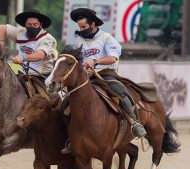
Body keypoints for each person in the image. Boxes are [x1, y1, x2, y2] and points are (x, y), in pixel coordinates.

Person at [61, 8, 146, 154]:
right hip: (85, 78)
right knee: (64, 106)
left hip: (105, 74)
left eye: (84, 27)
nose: (81, 30)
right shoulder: (78, 41)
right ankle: (71, 139)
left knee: (120, 92)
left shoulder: (106, 38)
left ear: (93, 24)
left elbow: (113, 58)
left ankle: (134, 123)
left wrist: (95, 61)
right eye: (79, 27)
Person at [0, 9, 58, 140]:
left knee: (50, 100)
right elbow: (2, 27)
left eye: (35, 25)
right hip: (21, 74)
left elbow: (40, 55)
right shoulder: (20, 32)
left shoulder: (48, 39)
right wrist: (1, 43)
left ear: (41, 25)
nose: (31, 27)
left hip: (42, 75)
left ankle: (53, 131)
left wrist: (23, 58)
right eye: (29, 25)